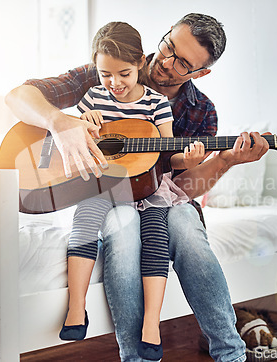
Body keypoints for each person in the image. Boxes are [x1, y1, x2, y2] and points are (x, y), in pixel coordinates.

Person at [6, 13, 269, 362]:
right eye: (168, 45)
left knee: (185, 228)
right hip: (108, 197)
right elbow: (17, 97)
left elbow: (181, 190)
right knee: (122, 227)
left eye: (182, 63)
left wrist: (225, 161)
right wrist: (59, 122)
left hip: (162, 199)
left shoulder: (200, 110)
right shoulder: (111, 69)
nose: (165, 61)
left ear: (200, 73)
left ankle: (231, 354)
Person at [58, 21, 205, 361]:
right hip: (101, 186)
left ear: (141, 62)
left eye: (123, 73)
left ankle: (151, 324)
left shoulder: (156, 104)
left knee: (156, 238)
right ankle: (76, 308)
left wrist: (190, 158)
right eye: (105, 74)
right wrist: (83, 122)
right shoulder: (93, 97)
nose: (115, 84)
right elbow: (76, 142)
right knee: (83, 224)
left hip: (147, 190)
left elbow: (168, 154)